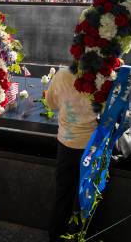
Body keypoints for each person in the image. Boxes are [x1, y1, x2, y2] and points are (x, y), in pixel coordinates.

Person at [46, 68, 98, 242]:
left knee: (63, 193)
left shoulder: (61, 75)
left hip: (66, 145)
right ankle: (79, 236)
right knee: (87, 197)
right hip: (92, 148)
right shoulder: (105, 76)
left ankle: (55, 235)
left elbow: (51, 103)